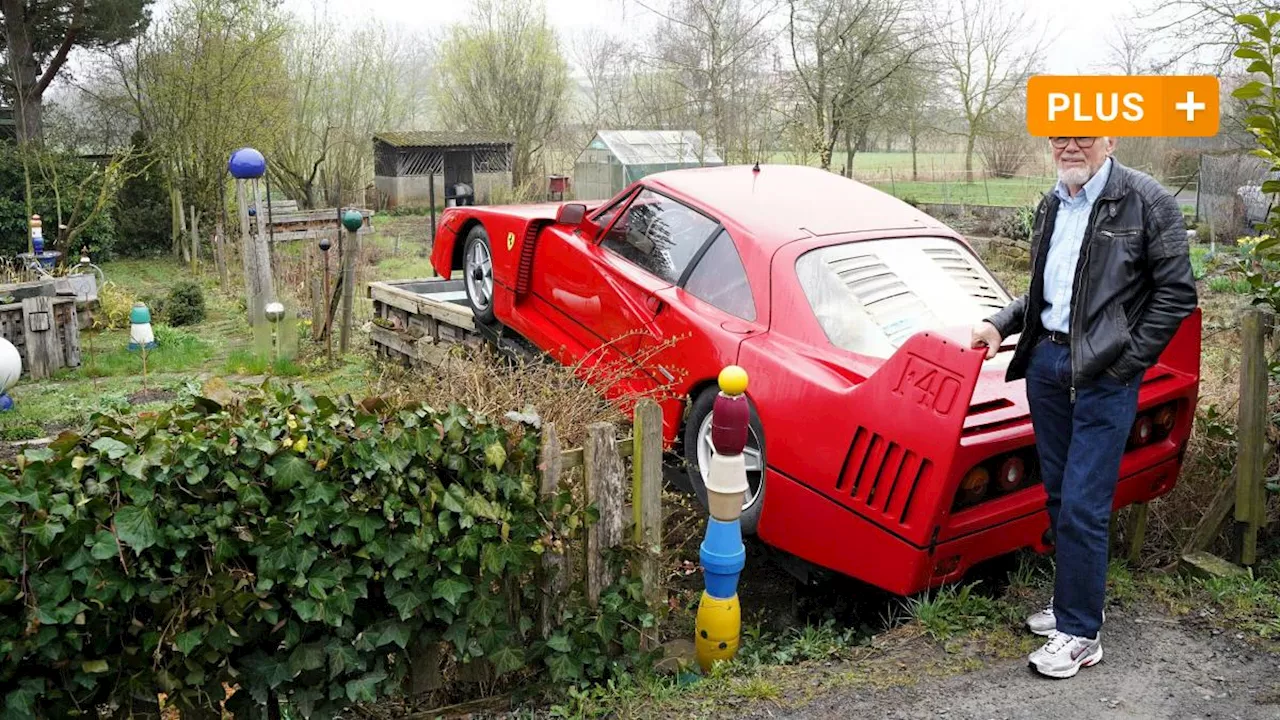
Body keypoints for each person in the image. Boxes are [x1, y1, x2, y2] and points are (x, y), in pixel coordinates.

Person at [970, 136, 1198, 679]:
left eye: (1084, 137)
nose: (1071, 147)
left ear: (1109, 141)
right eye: (1060, 138)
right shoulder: (1053, 202)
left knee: (1083, 504)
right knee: (1056, 492)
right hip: (1047, 367)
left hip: (1105, 376)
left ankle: (1079, 634)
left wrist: (1126, 364)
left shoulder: (1146, 200)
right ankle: (1075, 602)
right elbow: (1046, 289)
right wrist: (1000, 323)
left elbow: (1176, 294)